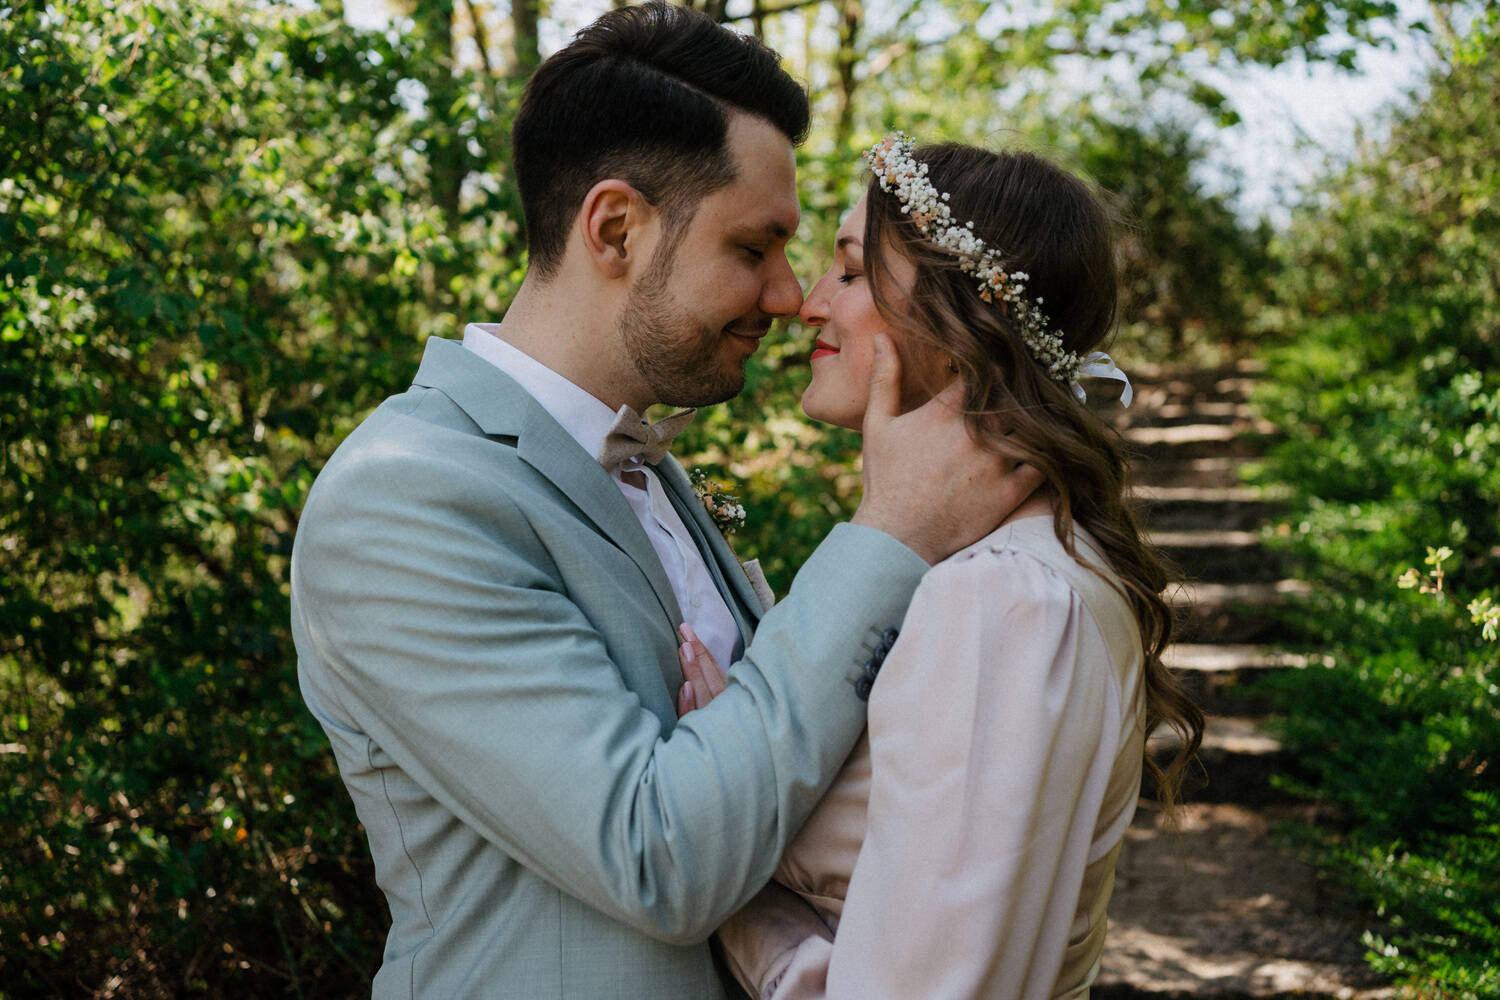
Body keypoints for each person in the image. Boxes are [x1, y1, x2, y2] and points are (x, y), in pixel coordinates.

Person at [289, 7, 1036, 998]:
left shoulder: (647, 466)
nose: (788, 295)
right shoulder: (404, 496)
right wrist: (889, 534)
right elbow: (659, 855)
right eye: (753, 247)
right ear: (616, 228)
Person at [679, 134, 1205, 998]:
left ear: (965, 322)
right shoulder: (999, 570)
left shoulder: (1003, 600)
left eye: (849, 274)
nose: (805, 303)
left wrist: (724, 877)